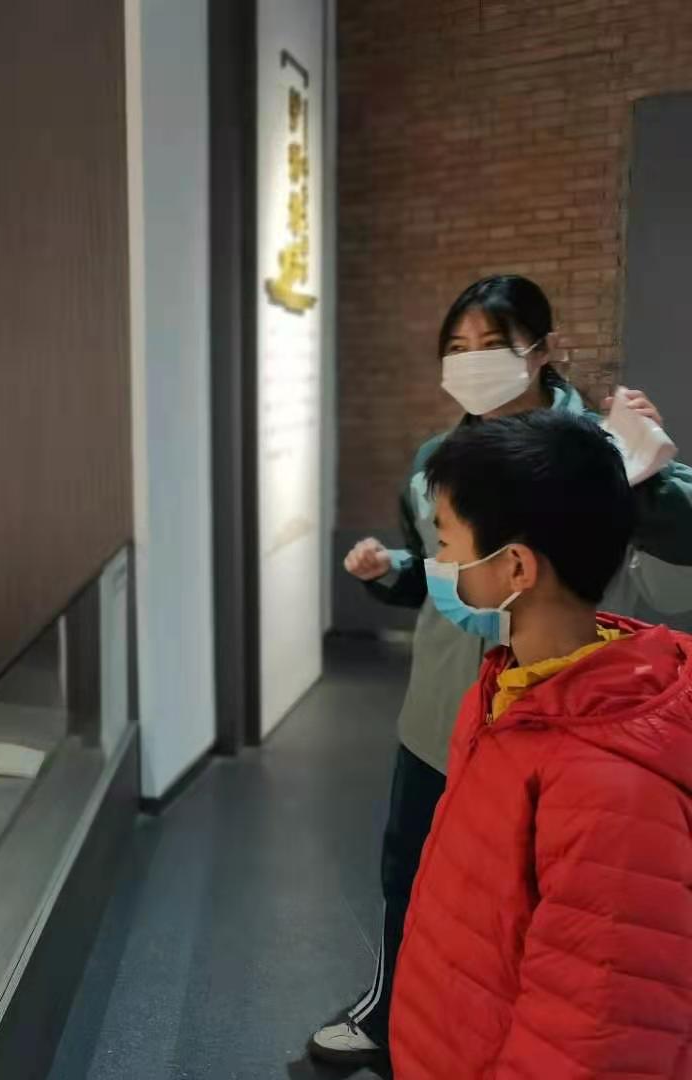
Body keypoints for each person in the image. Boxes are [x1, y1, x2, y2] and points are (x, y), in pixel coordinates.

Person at [310, 275, 692, 1064]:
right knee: (427, 875)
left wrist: (646, 471)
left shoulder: (599, 449)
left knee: (546, 910)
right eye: (456, 348)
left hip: (562, 716)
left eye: (492, 344)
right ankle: (405, 1014)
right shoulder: (438, 460)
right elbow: (442, 573)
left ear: (541, 350)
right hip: (454, 713)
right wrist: (394, 570)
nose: (472, 362)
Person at [390, 409, 692, 1077]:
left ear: (516, 567)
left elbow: (596, 1032)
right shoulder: (507, 690)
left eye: (448, 542)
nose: (440, 563)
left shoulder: (612, 788)